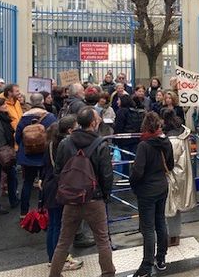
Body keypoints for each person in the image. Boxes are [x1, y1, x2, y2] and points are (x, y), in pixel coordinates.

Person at [49, 107, 115, 277]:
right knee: (102, 240)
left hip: (71, 199)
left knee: (63, 242)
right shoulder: (101, 144)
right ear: (93, 123)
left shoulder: (65, 143)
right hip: (94, 198)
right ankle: (108, 273)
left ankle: (55, 274)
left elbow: (58, 171)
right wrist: (105, 195)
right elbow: (107, 175)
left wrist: (67, 190)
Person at [130, 113, 174, 276]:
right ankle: (161, 258)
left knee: (148, 228)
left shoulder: (144, 145)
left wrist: (133, 183)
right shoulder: (166, 142)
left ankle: (146, 265)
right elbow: (170, 164)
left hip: (146, 189)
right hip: (162, 186)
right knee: (161, 221)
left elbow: (138, 171)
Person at [41, 117, 83, 271]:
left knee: (53, 224)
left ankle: (53, 258)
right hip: (60, 187)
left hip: (49, 185)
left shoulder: (50, 144)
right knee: (60, 226)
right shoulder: (66, 145)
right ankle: (61, 260)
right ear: (70, 130)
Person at [15, 93, 57, 218]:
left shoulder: (24, 117)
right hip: (44, 154)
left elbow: (18, 137)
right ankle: (42, 209)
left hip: (27, 155)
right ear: (43, 101)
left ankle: (24, 212)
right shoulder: (50, 117)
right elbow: (54, 134)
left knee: (27, 183)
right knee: (44, 182)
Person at [160, 108, 196, 248]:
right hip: (183, 174)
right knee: (176, 207)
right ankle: (175, 235)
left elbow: (170, 160)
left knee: (170, 207)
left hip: (170, 175)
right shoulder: (183, 133)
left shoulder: (171, 139)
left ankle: (172, 236)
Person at [114, 95, 145, 178]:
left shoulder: (121, 111)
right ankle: (134, 176)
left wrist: (115, 139)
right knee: (133, 158)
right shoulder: (136, 111)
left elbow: (119, 126)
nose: (117, 102)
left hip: (124, 139)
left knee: (125, 160)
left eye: (119, 100)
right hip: (135, 139)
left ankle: (125, 177)